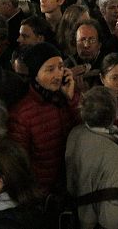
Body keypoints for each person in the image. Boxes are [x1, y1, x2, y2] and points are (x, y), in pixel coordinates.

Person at [8, 42, 80, 195]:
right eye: (50, 69)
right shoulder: (21, 114)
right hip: (43, 194)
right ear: (35, 74)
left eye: (61, 67)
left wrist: (72, 98)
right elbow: (21, 165)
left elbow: (86, 127)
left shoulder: (67, 97)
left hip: (72, 185)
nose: (58, 74)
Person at [66, 86, 118, 229]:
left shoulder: (75, 135)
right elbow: (114, 218)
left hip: (81, 216)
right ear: (116, 114)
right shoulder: (114, 155)